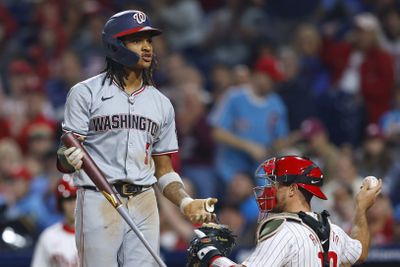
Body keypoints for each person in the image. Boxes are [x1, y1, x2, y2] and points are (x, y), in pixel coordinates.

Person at [56, 10, 217, 267]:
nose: (146, 47)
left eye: (149, 41)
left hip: (144, 200)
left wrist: (185, 202)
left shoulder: (162, 104)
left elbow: (164, 171)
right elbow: (65, 156)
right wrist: (69, 158)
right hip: (99, 198)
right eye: (136, 40)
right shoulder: (85, 93)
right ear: (115, 44)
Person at [189, 155, 382, 267]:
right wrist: (361, 209)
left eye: (276, 183)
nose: (269, 188)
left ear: (292, 189)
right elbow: (361, 250)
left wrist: (212, 255)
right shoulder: (333, 231)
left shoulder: (284, 231)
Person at [31, 175, 78, 267]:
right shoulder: (48, 236)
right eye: (68, 200)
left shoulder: (95, 235)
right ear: (60, 204)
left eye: (76, 198)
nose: (73, 205)